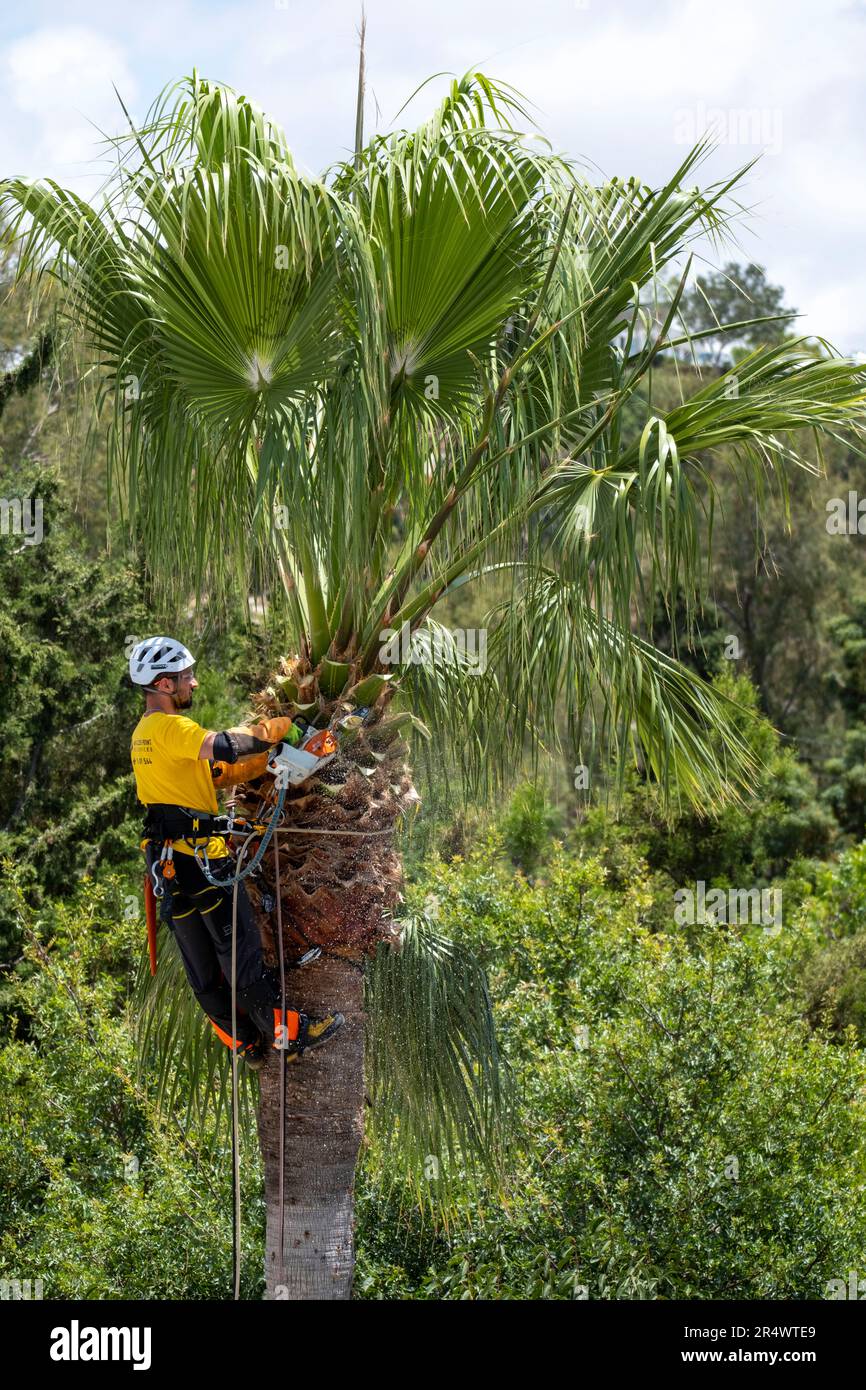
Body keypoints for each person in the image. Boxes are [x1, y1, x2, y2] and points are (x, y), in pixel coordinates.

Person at [129, 635, 344, 1069]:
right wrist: (277, 731)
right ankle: (289, 1034)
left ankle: (243, 1040)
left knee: (203, 970)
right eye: (187, 676)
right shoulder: (172, 727)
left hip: (167, 870)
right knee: (239, 955)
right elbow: (224, 747)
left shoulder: (143, 735)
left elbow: (209, 771)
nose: (194, 682)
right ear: (165, 685)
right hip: (201, 863)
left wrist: (258, 765)